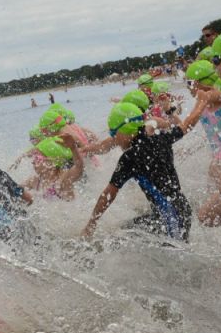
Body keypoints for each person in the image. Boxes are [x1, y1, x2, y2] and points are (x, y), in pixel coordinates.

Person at [81, 102, 193, 242]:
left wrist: (91, 224)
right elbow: (186, 125)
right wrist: (202, 103)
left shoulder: (130, 157)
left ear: (126, 129)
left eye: (114, 133)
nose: (114, 138)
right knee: (126, 231)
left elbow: (108, 194)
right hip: (183, 209)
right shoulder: (158, 138)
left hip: (170, 219)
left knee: (119, 239)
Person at [181, 60, 221, 182]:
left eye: (189, 82)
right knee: (217, 184)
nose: (187, 87)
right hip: (219, 152)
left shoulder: (210, 96)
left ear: (199, 82)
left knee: (220, 187)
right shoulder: (203, 100)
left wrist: (180, 130)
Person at [23, 134, 85, 201]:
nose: (33, 162)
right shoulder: (35, 181)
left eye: (37, 159)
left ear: (52, 163)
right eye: (34, 158)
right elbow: (16, 189)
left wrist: (73, 148)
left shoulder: (63, 180)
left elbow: (79, 167)